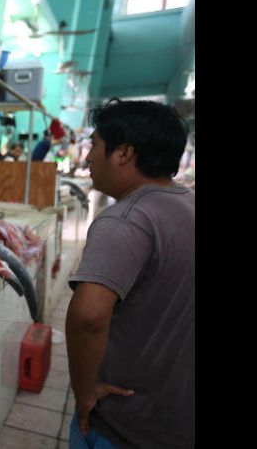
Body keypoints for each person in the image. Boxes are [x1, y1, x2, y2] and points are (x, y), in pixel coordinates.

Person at [65, 99, 194, 448]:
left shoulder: (125, 220)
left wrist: (84, 390)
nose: (88, 156)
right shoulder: (188, 204)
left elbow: (89, 316)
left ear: (123, 153)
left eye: (95, 145)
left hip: (121, 425)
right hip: (176, 419)